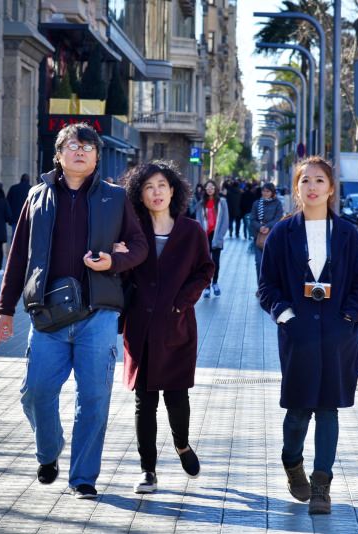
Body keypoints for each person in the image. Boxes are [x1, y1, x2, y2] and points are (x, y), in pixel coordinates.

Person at [0, 122, 148, 499]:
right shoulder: (37, 197)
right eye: (73, 146)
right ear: (59, 155)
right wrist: (5, 309)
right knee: (35, 393)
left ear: (96, 157)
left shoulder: (115, 198)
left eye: (88, 147)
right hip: (47, 316)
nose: (81, 151)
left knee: (93, 399)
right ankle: (48, 450)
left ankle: (83, 478)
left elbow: (139, 245)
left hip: (98, 314)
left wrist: (112, 261)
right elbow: (18, 258)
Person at [258, 156, 358, 515]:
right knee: (298, 411)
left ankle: (321, 484)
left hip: (338, 337)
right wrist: (286, 316)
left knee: (328, 409)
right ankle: (291, 461)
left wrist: (349, 316)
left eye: (319, 180)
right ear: (296, 188)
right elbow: (267, 287)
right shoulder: (282, 233)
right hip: (299, 335)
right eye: (305, 181)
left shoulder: (346, 234)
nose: (312, 187)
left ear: (331, 188)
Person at [118, 161, 214, 494]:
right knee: (145, 402)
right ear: (139, 195)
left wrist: (182, 301)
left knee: (176, 396)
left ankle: (182, 445)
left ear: (173, 190)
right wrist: (119, 258)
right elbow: (121, 275)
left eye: (162, 185)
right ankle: (148, 470)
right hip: (141, 328)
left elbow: (204, 270)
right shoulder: (132, 233)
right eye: (148, 187)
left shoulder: (191, 231)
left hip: (176, 326)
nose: (156, 192)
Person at [195, 180, 229, 298]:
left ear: (215, 189)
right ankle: (207, 287)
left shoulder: (222, 202)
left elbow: (225, 220)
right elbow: (198, 220)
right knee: (205, 262)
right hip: (205, 236)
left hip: (216, 235)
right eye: (208, 187)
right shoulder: (200, 204)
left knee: (215, 261)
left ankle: (215, 283)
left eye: (212, 187)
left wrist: (220, 235)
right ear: (205, 189)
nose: (210, 189)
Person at [250, 182, 284, 285]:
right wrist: (260, 227)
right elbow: (252, 219)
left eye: (267, 191)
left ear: (272, 192)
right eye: (263, 191)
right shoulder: (257, 203)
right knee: (259, 262)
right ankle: (260, 287)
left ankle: (269, 287)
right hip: (258, 238)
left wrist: (268, 227)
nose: (265, 193)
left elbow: (278, 217)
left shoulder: (277, 203)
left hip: (272, 237)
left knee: (271, 264)